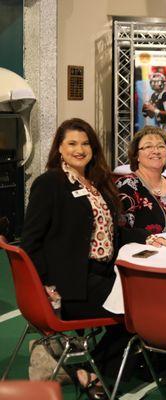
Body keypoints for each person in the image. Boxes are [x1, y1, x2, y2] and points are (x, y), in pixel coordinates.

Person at [20, 118, 151, 399]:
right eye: (72, 143)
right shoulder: (50, 183)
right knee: (139, 315)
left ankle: (81, 366)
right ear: (59, 149)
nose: (79, 149)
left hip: (103, 273)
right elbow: (30, 242)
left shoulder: (97, 183)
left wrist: (148, 237)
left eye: (85, 143)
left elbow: (111, 232)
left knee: (149, 301)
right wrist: (45, 285)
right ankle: (92, 374)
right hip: (71, 283)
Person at [115, 125, 166, 243]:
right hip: (139, 255)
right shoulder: (125, 186)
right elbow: (118, 233)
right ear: (136, 155)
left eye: (161, 146)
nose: (156, 151)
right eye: (148, 146)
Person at [142, 72, 166, 137]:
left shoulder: (165, 94)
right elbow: (151, 115)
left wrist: (154, 109)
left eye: (157, 82)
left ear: (162, 83)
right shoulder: (153, 96)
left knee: (165, 142)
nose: (154, 84)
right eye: (153, 82)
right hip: (161, 124)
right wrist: (147, 110)